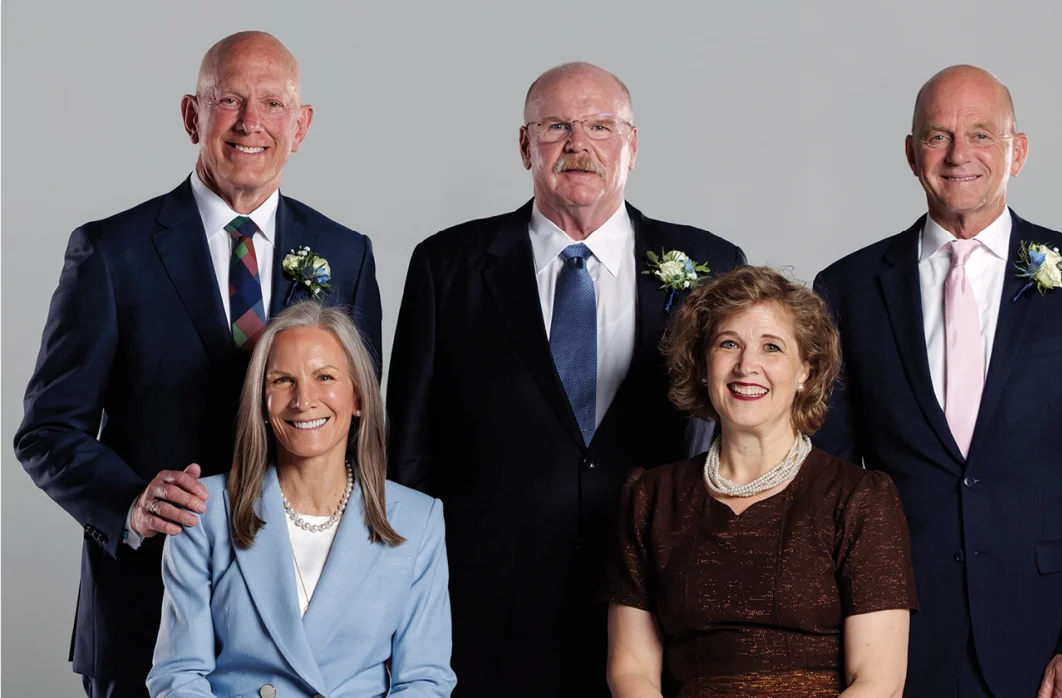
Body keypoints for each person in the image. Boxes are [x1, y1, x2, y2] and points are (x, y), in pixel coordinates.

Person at [13, 31, 382, 697]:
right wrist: (131, 500)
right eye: (228, 100)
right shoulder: (110, 252)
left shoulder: (344, 254)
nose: (250, 123)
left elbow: (364, 430)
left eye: (273, 105)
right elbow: (47, 430)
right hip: (146, 612)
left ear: (300, 127)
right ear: (191, 114)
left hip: (303, 624)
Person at [386, 62, 745, 696]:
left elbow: (745, 436)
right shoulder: (447, 266)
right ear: (525, 145)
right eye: (556, 126)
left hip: (663, 597)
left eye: (601, 126)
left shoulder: (712, 265)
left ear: (632, 145)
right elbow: (408, 455)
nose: (579, 144)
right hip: (488, 604)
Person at [813, 65, 1062, 698]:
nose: (959, 154)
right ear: (912, 155)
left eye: (982, 135)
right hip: (895, 631)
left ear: (1017, 150)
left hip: (1045, 633)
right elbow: (832, 478)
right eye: (937, 136)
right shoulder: (848, 287)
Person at [605, 265, 917, 698]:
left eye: (772, 347)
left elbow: (879, 681)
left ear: (806, 370)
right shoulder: (650, 498)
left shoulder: (860, 498)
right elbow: (631, 670)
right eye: (728, 343)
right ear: (701, 364)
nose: (746, 365)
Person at [147, 301, 454, 698]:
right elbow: (178, 677)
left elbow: (424, 682)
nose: (303, 399)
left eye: (324, 376)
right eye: (281, 381)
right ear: (261, 401)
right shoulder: (204, 513)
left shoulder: (418, 519)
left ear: (358, 397)